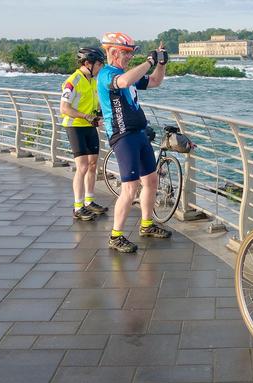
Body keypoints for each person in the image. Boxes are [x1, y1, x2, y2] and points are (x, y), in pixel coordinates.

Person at [97, 32, 171, 253]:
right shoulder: (107, 74)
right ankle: (116, 235)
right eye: (126, 53)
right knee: (130, 187)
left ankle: (147, 224)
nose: (129, 57)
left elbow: (156, 81)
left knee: (151, 180)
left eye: (131, 53)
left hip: (139, 133)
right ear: (112, 52)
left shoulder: (125, 72)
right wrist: (148, 61)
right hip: (123, 136)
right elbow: (124, 82)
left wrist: (161, 63)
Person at [60, 47, 109, 221]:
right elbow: (64, 108)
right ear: (88, 63)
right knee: (82, 167)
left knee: (93, 164)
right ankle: (78, 206)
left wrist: (100, 115)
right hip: (75, 127)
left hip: (89, 126)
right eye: (99, 64)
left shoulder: (93, 81)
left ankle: (89, 201)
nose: (101, 67)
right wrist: (86, 116)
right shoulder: (73, 81)